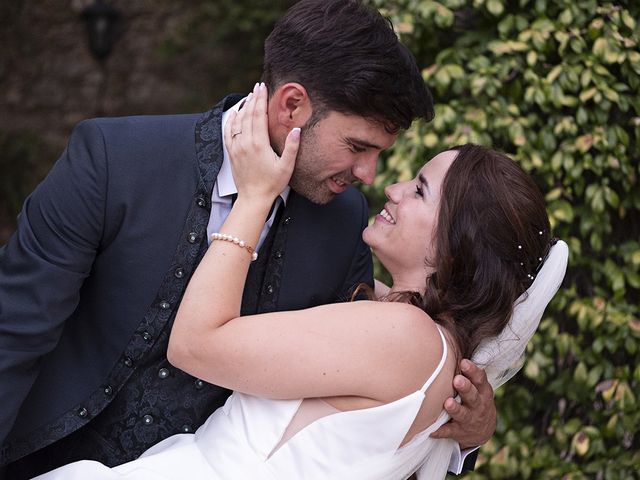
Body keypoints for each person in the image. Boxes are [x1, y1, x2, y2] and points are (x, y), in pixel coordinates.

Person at [0, 1, 495, 478]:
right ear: (293, 105)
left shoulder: (343, 220)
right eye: (357, 147)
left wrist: (467, 435)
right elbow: (13, 332)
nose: (369, 173)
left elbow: (372, 396)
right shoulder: (114, 161)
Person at [33, 83, 565, 480]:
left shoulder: (404, 336)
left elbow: (196, 344)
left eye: (421, 190)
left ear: (456, 245)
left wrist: (255, 197)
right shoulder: (412, 330)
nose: (393, 187)